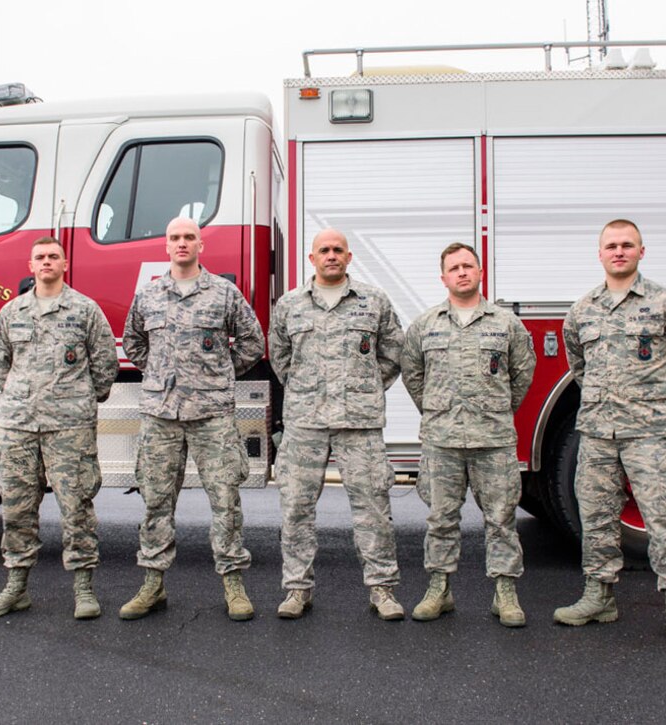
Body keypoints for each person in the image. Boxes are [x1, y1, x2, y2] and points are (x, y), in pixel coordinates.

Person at [555, 219, 666, 646]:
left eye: (627, 245)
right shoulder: (583, 309)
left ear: (642, 251)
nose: (618, 251)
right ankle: (598, 596)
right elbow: (578, 366)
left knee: (663, 517)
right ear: (599, 254)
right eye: (611, 245)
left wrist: (659, 399)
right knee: (597, 517)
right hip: (598, 433)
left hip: (650, 433)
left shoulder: (665, 303)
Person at [119, 217, 265, 622]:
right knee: (156, 502)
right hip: (161, 416)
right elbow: (133, 341)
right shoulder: (149, 295)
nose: (181, 244)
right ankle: (152, 584)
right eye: (174, 238)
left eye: (188, 237)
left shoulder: (223, 293)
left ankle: (234, 584)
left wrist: (217, 375)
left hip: (212, 414)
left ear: (201, 244)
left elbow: (253, 342)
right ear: (165, 246)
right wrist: (159, 376)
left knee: (226, 502)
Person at [0, 236, 118, 620]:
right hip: (19, 426)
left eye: (54, 256)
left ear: (65, 264)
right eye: (40, 257)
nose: (47, 262)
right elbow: (0, 366)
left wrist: (81, 400)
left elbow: (106, 364)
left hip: (69, 426)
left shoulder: (85, 311)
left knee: (77, 508)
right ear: (30, 265)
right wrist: (24, 399)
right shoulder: (12, 312)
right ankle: (16, 588)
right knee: (17, 508)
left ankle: (84, 590)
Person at [269, 228, 406, 620]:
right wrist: (307, 390)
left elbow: (393, 353)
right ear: (311, 259)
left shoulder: (373, 301)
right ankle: (297, 590)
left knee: (373, 508)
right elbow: (281, 358)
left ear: (349, 257)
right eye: (323, 250)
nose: (331, 255)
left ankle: (383, 590)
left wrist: (361, 387)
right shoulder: (291, 305)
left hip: (358, 423)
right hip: (305, 422)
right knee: (296, 508)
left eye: (338, 250)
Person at [400, 243, 536, 627]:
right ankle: (439, 589)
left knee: (501, 518)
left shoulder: (506, 324)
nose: (462, 272)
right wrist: (437, 409)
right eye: (454, 267)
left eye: (468, 266)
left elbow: (522, 372)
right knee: (441, 519)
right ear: (443, 277)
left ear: (479, 273)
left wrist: (496, 411)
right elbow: (413, 374)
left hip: (492, 440)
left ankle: (505, 593)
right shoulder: (425, 325)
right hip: (442, 440)